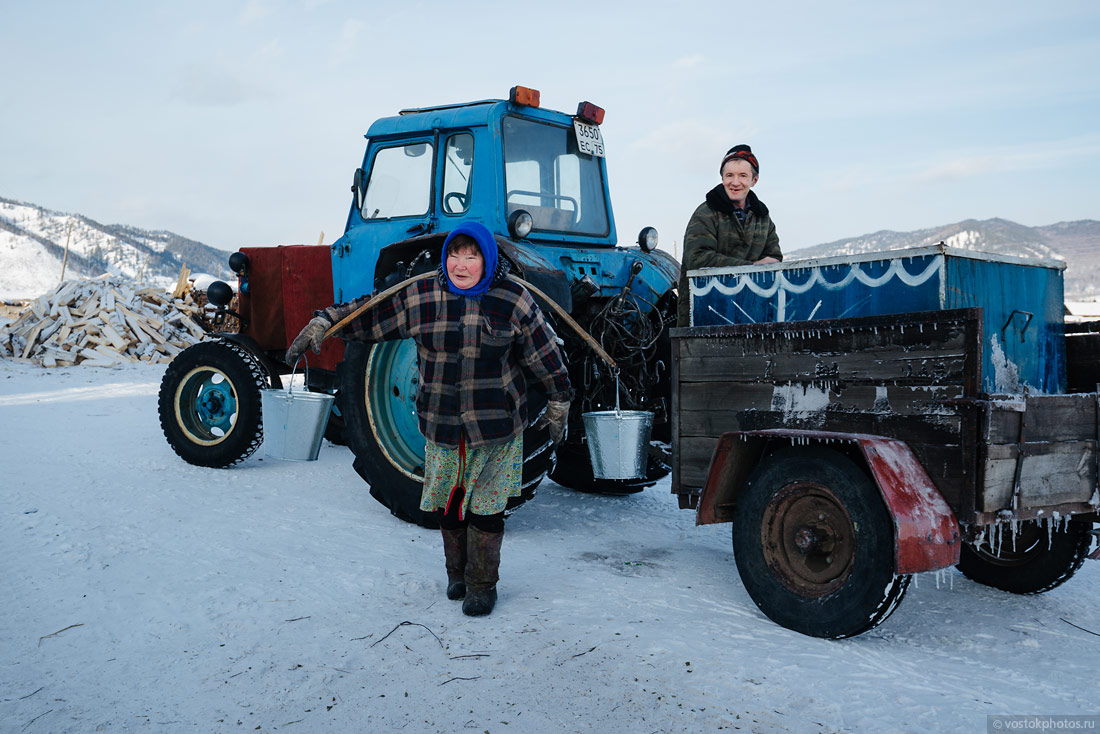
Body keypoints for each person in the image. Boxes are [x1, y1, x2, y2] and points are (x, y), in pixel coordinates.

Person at [285, 221, 573, 617]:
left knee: (487, 511)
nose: (461, 263)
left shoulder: (514, 299)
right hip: (441, 426)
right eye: (455, 254)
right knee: (450, 506)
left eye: (471, 255)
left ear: (487, 258)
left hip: (497, 430)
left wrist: (559, 398)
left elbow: (545, 355)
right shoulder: (422, 294)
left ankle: (481, 585)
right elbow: (373, 313)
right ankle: (456, 574)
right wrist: (326, 321)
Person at [676, 144, 782, 326]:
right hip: (704, 313)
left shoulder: (763, 218)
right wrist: (751, 267)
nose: (735, 182)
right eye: (729, 175)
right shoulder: (706, 213)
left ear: (754, 180)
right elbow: (698, 259)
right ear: (722, 178)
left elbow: (774, 258)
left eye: (743, 176)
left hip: (750, 312)